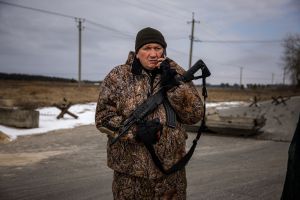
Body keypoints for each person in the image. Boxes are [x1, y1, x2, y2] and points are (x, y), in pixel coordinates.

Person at [95, 27, 203, 199]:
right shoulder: (118, 76)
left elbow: (194, 115)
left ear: (164, 51)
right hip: (131, 175)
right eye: (147, 48)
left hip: (171, 173)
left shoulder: (177, 73)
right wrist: (135, 131)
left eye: (157, 48)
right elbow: (103, 118)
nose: (153, 54)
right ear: (137, 52)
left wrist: (175, 87)